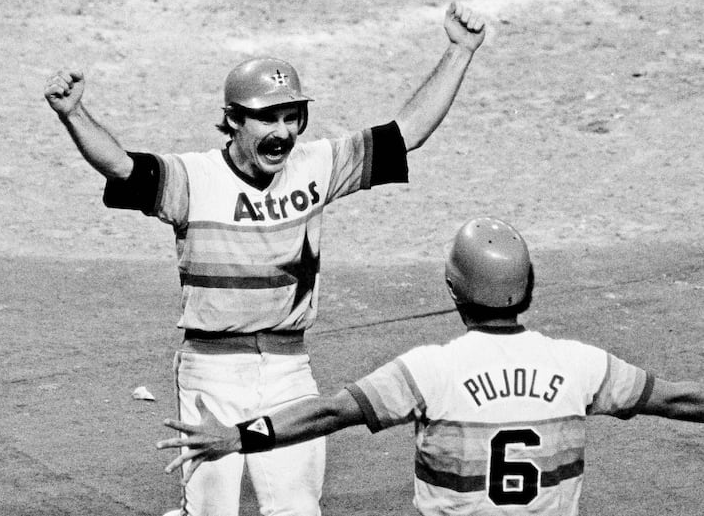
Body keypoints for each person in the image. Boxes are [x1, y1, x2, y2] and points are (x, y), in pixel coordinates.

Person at [45, 1, 485, 516]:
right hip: (211, 371)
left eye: (290, 117)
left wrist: (459, 51)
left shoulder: (318, 164)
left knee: (297, 508)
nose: (282, 132)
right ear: (233, 120)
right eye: (266, 118)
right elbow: (122, 167)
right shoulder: (193, 179)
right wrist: (73, 114)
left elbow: (406, 133)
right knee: (211, 510)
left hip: (288, 368)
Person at [157, 216, 704, 516]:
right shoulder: (583, 365)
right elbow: (678, 398)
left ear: (452, 291)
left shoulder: (429, 372)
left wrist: (238, 436)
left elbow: (328, 413)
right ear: (529, 288)